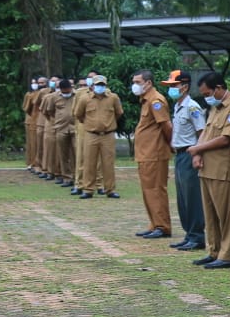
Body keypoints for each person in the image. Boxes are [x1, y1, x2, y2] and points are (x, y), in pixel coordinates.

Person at [189, 73, 230, 269]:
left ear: (219, 88)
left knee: (227, 214)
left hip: (223, 169)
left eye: (208, 93)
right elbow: (205, 134)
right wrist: (197, 154)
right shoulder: (215, 109)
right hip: (206, 168)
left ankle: (229, 256)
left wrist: (197, 149)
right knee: (211, 214)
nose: (206, 97)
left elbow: (226, 138)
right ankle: (214, 251)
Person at [161, 70, 207, 252]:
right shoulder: (178, 105)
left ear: (185, 87)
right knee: (182, 198)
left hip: (189, 153)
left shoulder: (192, 107)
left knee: (192, 197)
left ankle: (197, 236)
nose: (171, 89)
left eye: (174, 86)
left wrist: (197, 153)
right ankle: (189, 234)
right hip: (179, 155)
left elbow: (201, 132)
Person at [130, 69, 173, 238]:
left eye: (138, 82)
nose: (135, 86)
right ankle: (154, 223)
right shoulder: (146, 100)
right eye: (134, 82)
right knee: (148, 190)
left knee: (155, 189)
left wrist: (170, 144)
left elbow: (166, 126)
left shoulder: (156, 100)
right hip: (146, 153)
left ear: (148, 83)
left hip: (154, 153)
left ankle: (162, 226)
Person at [77, 75, 123, 199]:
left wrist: (108, 124)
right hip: (91, 134)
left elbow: (119, 113)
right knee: (89, 163)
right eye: (97, 84)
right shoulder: (84, 99)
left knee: (108, 163)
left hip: (108, 134)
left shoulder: (113, 98)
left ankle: (110, 189)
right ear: (92, 85)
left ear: (106, 85)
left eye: (102, 85)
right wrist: (90, 124)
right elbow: (79, 115)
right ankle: (88, 189)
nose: (100, 87)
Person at [50, 80, 76, 185]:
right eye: (64, 92)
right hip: (61, 128)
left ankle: (77, 177)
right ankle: (66, 177)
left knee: (77, 153)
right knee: (63, 154)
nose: (66, 93)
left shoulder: (77, 95)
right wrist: (59, 120)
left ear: (71, 88)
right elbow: (49, 111)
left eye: (68, 91)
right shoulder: (54, 97)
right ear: (60, 90)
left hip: (75, 128)